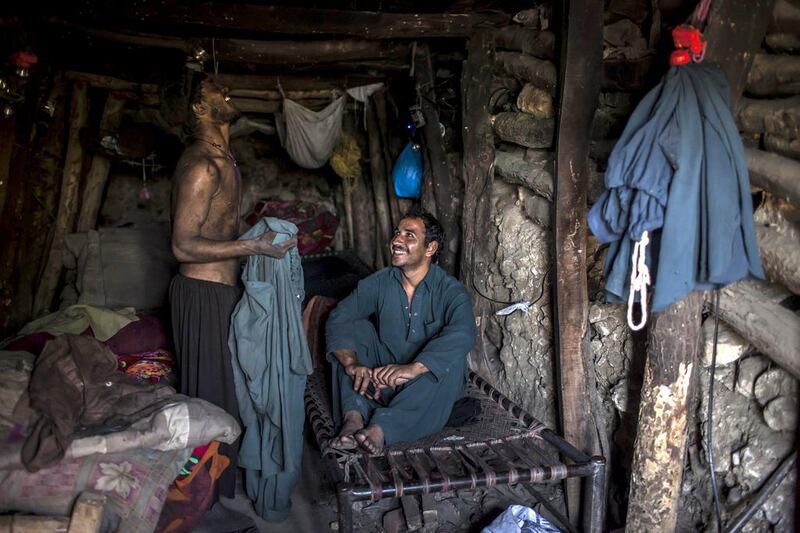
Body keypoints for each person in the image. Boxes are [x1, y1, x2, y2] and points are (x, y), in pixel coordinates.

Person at [169, 74, 296, 499]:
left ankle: (216, 491)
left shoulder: (226, 160)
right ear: (199, 110)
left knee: (232, 394)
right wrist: (253, 245)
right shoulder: (202, 166)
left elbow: (216, 229)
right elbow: (183, 246)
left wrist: (254, 245)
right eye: (214, 92)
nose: (227, 92)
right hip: (201, 293)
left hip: (221, 291)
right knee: (211, 400)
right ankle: (204, 499)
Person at [326, 207, 476, 454]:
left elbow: (464, 333)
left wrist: (412, 369)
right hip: (383, 378)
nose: (396, 240)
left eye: (409, 235)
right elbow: (340, 317)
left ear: (430, 249)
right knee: (354, 330)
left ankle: (381, 428)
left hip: (426, 390)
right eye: (397, 233)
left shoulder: (450, 291)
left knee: (451, 358)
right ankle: (353, 419)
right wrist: (352, 363)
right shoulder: (381, 281)